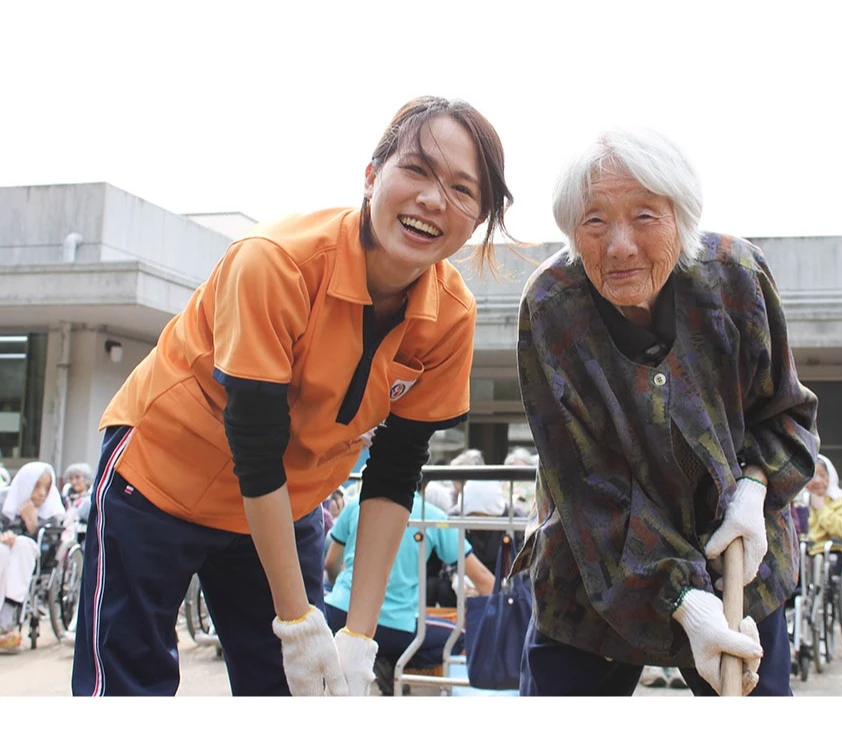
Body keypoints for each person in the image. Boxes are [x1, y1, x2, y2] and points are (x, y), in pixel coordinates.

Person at [71, 95, 514, 696]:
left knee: (294, 693)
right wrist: (298, 623)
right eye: (416, 169)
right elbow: (255, 445)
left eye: (462, 190)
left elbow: (395, 470)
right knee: (128, 686)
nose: (434, 199)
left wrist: (359, 638)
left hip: (285, 503)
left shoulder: (452, 316)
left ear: (478, 218)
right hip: (162, 477)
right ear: (371, 177)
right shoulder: (275, 262)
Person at [514, 128, 818, 696]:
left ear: (681, 216)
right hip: (595, 576)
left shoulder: (737, 277)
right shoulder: (553, 305)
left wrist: (755, 489)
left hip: (736, 564)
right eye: (594, 220)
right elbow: (584, 484)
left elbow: (785, 414)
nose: (620, 246)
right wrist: (682, 600)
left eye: (645, 216)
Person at [322, 488, 494, 681]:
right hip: (396, 627)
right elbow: (482, 577)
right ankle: (391, 662)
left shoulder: (356, 503)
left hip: (342, 614)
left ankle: (374, 659)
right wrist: (504, 612)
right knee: (461, 636)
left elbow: (330, 563)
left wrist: (340, 590)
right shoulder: (431, 515)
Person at [0, 462, 65, 650]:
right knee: (2, 550)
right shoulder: (6, 503)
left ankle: (10, 610)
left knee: (22, 544)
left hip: (35, 560)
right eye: (36, 486)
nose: (41, 493)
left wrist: (33, 526)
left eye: (46, 487)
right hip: (7, 556)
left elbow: (49, 546)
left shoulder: (53, 511)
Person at [805, 454, 842, 557]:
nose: (817, 481)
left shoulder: (840, 501)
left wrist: (821, 508)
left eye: (822, 475)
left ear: (830, 477)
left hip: (832, 554)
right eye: (812, 476)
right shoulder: (796, 502)